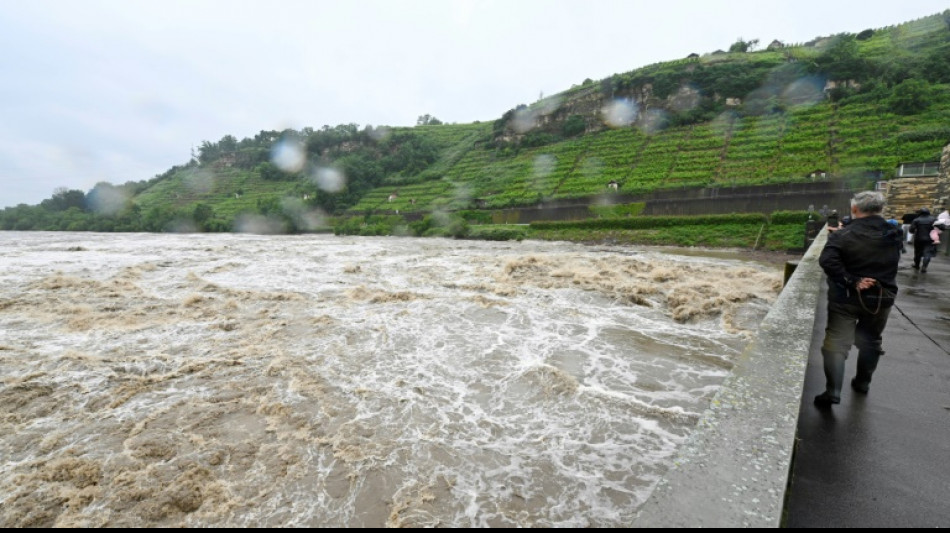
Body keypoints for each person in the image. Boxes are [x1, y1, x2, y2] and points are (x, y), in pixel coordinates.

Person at [815, 190, 901, 408]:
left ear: (854, 209)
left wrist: (852, 280)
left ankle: (832, 391)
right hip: (881, 297)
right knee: (871, 340)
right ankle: (863, 383)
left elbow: (827, 261)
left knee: (836, 343)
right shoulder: (894, 233)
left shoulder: (842, 235)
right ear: (881, 209)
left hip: (846, 298)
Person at [909, 207, 937, 273]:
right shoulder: (934, 219)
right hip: (930, 239)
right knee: (927, 253)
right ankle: (924, 266)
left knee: (917, 253)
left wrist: (915, 231)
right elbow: (941, 227)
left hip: (918, 238)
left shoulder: (916, 220)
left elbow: (911, 230)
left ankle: (917, 265)